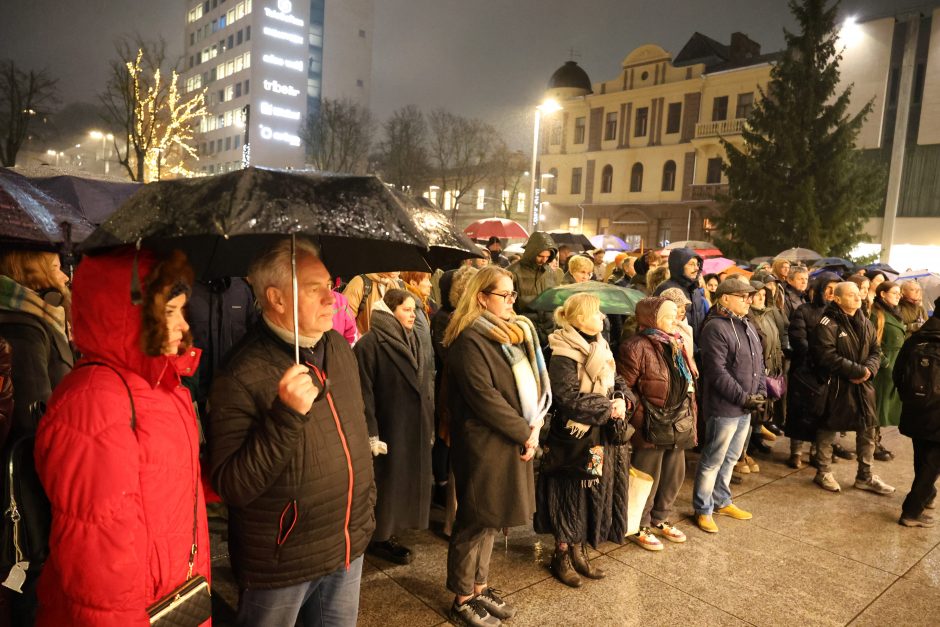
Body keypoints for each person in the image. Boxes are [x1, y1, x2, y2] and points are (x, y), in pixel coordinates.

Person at [33, 248, 210, 626]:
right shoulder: (96, 401)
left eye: (182, 310)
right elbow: (99, 569)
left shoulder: (162, 385)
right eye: (169, 312)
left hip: (173, 601)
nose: (183, 326)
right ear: (128, 314)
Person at [208, 239, 375, 626]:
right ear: (276, 299)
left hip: (348, 544)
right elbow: (232, 485)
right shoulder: (240, 373)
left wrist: (366, 508)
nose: (331, 299)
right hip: (282, 563)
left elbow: (354, 431)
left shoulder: (338, 348)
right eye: (314, 290)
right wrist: (285, 416)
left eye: (329, 286)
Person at [442, 266, 550, 626]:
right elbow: (484, 397)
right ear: (481, 297)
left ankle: (480, 585)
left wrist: (532, 426)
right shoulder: (468, 339)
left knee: (492, 519)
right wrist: (524, 431)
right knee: (473, 519)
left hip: (507, 437)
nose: (511, 302)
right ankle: (461, 597)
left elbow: (524, 386)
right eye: (504, 295)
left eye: (512, 295)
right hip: (482, 442)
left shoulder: (505, 334)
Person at [536, 293, 629, 586]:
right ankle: (561, 553)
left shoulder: (600, 345)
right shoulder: (562, 351)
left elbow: (616, 380)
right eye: (594, 313)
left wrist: (622, 399)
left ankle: (579, 550)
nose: (601, 317)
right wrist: (607, 407)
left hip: (596, 436)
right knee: (567, 492)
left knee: (587, 490)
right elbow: (565, 398)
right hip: (571, 438)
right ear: (578, 320)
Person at [356, 289, 435, 565]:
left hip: (411, 422)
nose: (413, 314)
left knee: (403, 480)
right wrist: (371, 434)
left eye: (414, 309)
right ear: (391, 311)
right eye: (406, 309)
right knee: (387, 482)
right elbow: (364, 393)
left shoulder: (413, 338)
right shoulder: (369, 344)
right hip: (389, 424)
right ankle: (379, 537)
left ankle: (391, 530)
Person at [618, 297, 696, 551]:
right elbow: (624, 388)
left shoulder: (676, 343)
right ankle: (637, 524)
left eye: (677, 313)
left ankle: (660, 519)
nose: (676, 318)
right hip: (652, 423)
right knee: (645, 477)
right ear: (652, 319)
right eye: (669, 314)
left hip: (678, 421)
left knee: (674, 474)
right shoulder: (636, 346)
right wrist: (642, 416)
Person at [692, 277, 765, 534]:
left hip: (744, 407)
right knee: (713, 459)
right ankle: (703, 508)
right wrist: (744, 397)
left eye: (749, 296)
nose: (748, 300)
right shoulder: (715, 327)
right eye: (742, 296)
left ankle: (722, 500)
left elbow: (759, 363)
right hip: (725, 407)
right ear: (725, 298)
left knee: (732, 457)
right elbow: (717, 371)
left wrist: (760, 392)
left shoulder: (746, 324)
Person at [810, 282, 894, 495]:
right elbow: (825, 355)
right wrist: (857, 371)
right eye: (851, 295)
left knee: (867, 429)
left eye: (859, 294)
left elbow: (876, 350)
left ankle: (865, 476)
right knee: (828, 428)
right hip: (836, 386)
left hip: (863, 386)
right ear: (837, 299)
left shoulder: (865, 321)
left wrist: (868, 371)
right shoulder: (826, 323)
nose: (858, 298)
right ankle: (823, 472)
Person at [0, 250, 74, 441]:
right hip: (40, 455)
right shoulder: (23, 330)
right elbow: (32, 418)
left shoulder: (42, 321)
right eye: (56, 268)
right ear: (30, 273)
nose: (65, 277)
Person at [784, 271, 843, 469]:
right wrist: (817, 358)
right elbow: (799, 339)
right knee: (800, 413)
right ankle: (796, 452)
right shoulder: (803, 310)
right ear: (820, 290)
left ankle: (816, 452)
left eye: (836, 290)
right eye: (829, 289)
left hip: (827, 372)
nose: (832, 294)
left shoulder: (838, 314)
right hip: (804, 370)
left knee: (822, 414)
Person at [893, 294, 940, 527]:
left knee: (922, 454)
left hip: (916, 408)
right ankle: (912, 511)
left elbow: (897, 372)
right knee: (933, 462)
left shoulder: (917, 337)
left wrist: (910, 399)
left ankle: (927, 494)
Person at [869, 281, 904, 461]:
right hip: (883, 370)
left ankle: (876, 441)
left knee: (883, 408)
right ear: (882, 294)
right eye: (895, 293)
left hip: (894, 366)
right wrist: (885, 363)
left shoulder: (894, 313)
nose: (899, 296)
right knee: (877, 408)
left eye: (899, 293)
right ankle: (872, 444)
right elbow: (873, 342)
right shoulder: (877, 314)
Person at [507, 231, 557, 346]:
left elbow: (553, 300)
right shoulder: (513, 272)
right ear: (531, 252)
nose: (544, 260)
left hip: (548, 330)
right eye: (540, 256)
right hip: (523, 329)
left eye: (547, 257)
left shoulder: (550, 272)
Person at [653, 248, 709, 344]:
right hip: (675, 346)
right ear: (678, 266)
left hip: (695, 348)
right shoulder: (665, 289)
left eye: (697, 264)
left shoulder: (696, 290)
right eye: (691, 264)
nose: (696, 268)